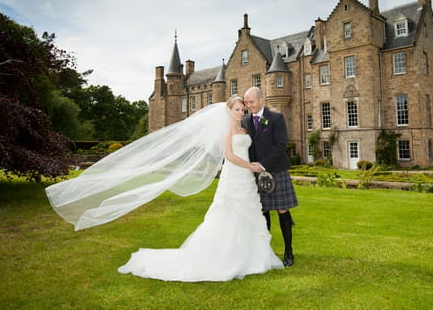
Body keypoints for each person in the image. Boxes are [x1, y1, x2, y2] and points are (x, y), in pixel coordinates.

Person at [115, 95, 284, 281]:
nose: (240, 113)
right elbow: (229, 155)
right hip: (235, 175)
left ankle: (251, 256)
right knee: (228, 212)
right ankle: (221, 256)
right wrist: (249, 166)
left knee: (248, 213)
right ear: (228, 110)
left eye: (242, 110)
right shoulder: (226, 131)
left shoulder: (243, 128)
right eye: (237, 109)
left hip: (245, 178)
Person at [242, 87, 298, 266]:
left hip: (276, 170)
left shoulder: (276, 118)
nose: (248, 106)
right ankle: (264, 251)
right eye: (246, 102)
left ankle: (288, 251)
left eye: (251, 102)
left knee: (282, 210)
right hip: (256, 174)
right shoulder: (244, 122)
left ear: (261, 100)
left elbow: (281, 145)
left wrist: (263, 165)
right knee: (263, 211)